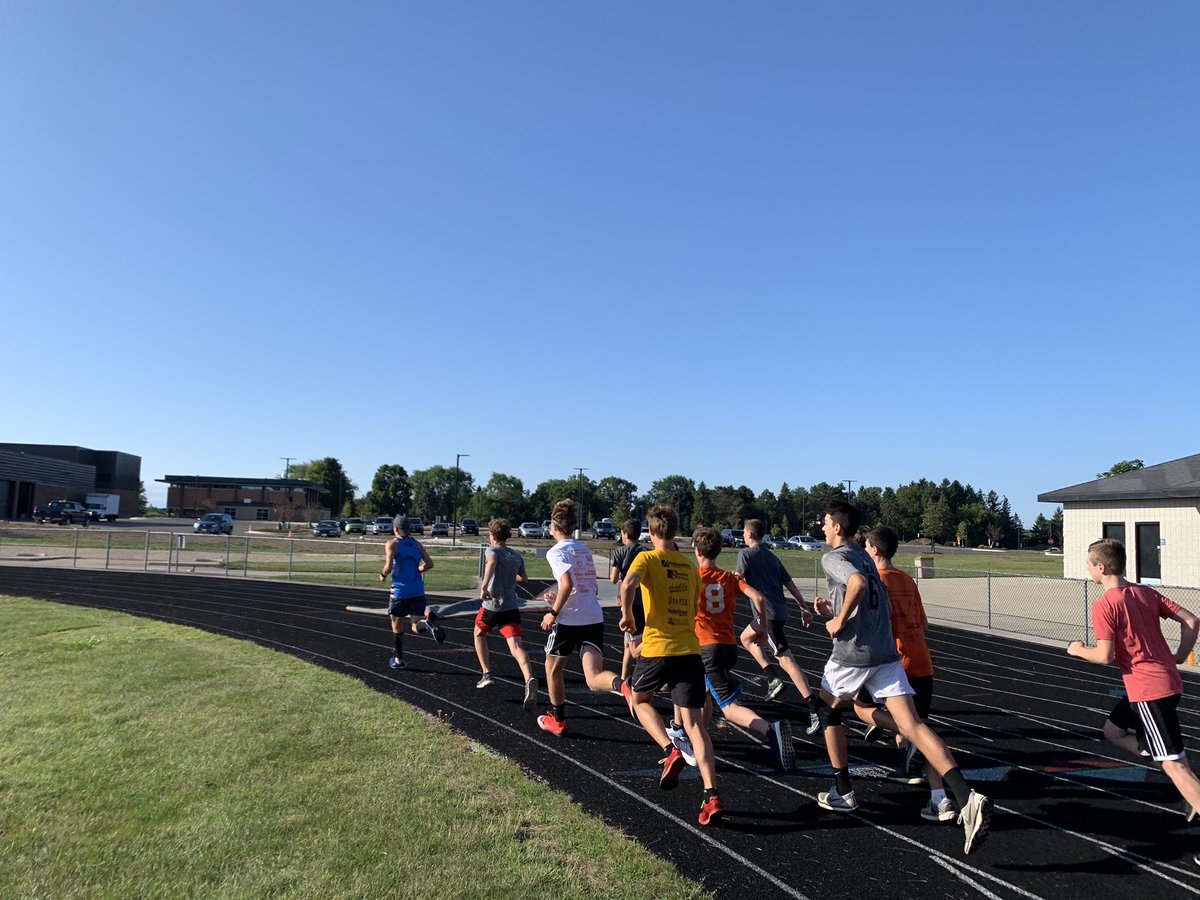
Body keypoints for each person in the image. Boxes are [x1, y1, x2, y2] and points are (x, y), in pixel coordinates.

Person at [811, 500, 992, 855]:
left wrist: (838, 620)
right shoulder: (864, 556)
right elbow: (868, 593)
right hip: (886, 653)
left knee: (827, 711)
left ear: (837, 526)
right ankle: (966, 797)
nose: (822, 527)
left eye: (826, 522)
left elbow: (857, 584)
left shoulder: (835, 557)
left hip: (855, 653)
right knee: (913, 725)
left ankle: (843, 791)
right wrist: (834, 608)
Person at [1067, 538, 1200, 862]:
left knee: (1175, 765)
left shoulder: (1105, 605)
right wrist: (1178, 655)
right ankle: (1185, 784)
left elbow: (1104, 656)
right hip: (1163, 684)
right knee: (1112, 731)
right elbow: (1192, 621)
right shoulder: (1146, 593)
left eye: (1088, 564)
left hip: (1149, 692)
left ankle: (1191, 792)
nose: (1087, 569)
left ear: (1100, 567)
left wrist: (1077, 650)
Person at [620, 504, 722, 827]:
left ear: (651, 532)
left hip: (658, 646)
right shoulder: (690, 567)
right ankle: (711, 794)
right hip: (689, 649)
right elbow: (692, 608)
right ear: (676, 531)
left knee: (639, 700)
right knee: (695, 726)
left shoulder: (647, 558)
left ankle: (670, 750)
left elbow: (627, 584)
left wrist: (627, 615)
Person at [859, 525, 953, 822]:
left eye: (866, 547)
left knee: (860, 707)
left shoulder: (875, 581)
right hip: (922, 659)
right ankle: (939, 798)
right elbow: (924, 624)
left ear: (874, 550)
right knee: (922, 729)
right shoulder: (907, 580)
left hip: (894, 662)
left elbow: (874, 624)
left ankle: (905, 735)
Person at [693, 526, 795, 770]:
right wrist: (762, 626)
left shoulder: (694, 578)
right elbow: (758, 597)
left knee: (729, 708)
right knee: (704, 692)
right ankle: (700, 738)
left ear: (697, 551)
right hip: (728, 646)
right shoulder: (731, 578)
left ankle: (769, 730)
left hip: (707, 647)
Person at [537, 499, 629, 736]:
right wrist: (558, 596)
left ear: (554, 527)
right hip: (593, 616)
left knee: (552, 669)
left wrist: (553, 612)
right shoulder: (584, 550)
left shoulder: (556, 552)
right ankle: (623, 686)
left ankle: (558, 722)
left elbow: (568, 583)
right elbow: (589, 588)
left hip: (569, 620)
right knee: (593, 677)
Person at [736, 519, 822, 734]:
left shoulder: (745, 554)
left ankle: (814, 709)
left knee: (787, 661)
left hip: (769, 615)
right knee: (746, 638)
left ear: (749, 535)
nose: (743, 536)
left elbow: (738, 579)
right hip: (781, 612)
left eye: (744, 533)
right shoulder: (772, 557)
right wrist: (804, 607)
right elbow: (790, 584)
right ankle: (772, 677)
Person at [474, 518, 538, 711]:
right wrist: (509, 575)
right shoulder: (516, 556)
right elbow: (524, 579)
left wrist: (484, 586)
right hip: (511, 607)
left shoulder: (492, 551)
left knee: (478, 634)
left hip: (492, 606)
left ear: (492, 535)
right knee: (517, 646)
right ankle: (529, 678)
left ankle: (486, 673)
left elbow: (492, 562)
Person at [379, 514, 444, 669]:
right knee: (415, 625)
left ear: (395, 528)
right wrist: (417, 570)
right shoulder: (416, 544)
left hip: (400, 592)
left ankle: (399, 660)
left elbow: (388, 567)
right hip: (417, 591)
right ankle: (426, 624)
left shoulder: (392, 544)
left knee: (397, 627)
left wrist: (383, 575)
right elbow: (429, 564)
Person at [610, 519, 647, 687]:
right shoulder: (646, 552)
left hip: (629, 603)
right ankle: (624, 679)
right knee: (627, 643)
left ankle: (643, 678)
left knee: (634, 646)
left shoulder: (620, 552)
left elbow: (613, 579)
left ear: (625, 534)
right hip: (644, 601)